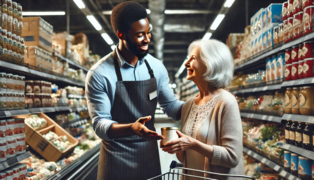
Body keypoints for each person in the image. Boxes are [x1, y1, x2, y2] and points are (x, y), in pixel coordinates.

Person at [85, 1, 184, 180]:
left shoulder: (156, 67)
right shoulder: (99, 74)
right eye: (140, 35)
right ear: (121, 34)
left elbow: (171, 106)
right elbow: (100, 124)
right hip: (115, 160)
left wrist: (204, 103)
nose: (147, 39)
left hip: (149, 157)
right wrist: (132, 128)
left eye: (148, 33)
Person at [161, 39, 245, 180]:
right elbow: (184, 159)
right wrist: (176, 147)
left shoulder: (226, 102)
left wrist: (194, 144)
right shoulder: (188, 105)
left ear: (210, 63)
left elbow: (232, 157)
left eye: (192, 58)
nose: (187, 63)